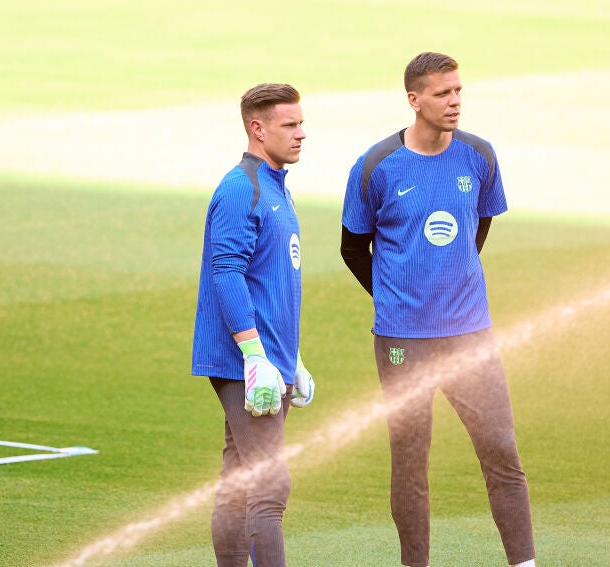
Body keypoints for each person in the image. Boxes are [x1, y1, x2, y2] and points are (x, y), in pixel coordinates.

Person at [339, 52, 536, 567]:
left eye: (458, 91)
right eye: (443, 93)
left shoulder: (479, 155)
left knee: (501, 451)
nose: (454, 102)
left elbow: (478, 229)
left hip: (471, 334)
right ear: (414, 99)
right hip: (402, 341)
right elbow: (352, 247)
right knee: (410, 463)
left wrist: (450, 288)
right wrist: (394, 297)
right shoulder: (376, 166)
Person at [192, 82, 316, 567]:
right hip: (242, 358)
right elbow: (227, 272)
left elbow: (270, 281)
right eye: (290, 125)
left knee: (240, 478)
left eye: (302, 123)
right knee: (269, 484)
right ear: (257, 128)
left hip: (268, 356)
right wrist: (254, 355)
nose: (301, 133)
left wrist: (291, 356)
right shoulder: (240, 189)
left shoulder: (276, 186)